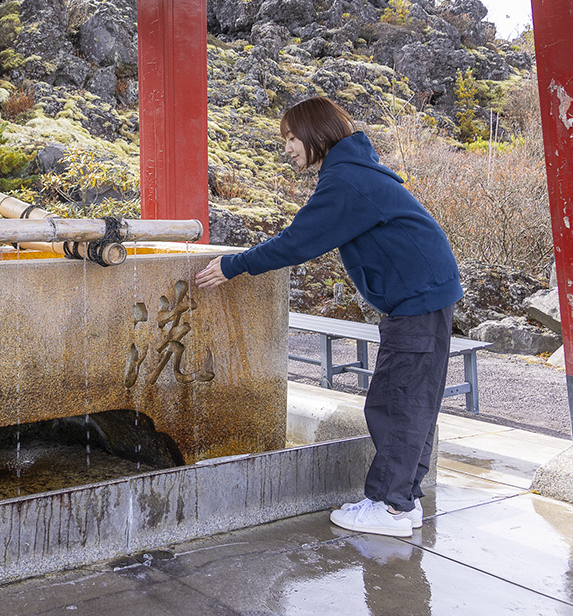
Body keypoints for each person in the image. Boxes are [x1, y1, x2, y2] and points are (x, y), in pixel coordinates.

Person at [194, 97, 463, 538]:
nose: (287, 148)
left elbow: (299, 240)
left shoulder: (346, 180)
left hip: (418, 299)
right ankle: (404, 501)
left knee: (396, 403)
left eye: (291, 138)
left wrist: (233, 264)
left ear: (315, 134)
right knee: (412, 402)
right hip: (424, 296)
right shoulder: (355, 171)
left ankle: (389, 508)